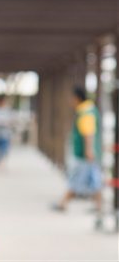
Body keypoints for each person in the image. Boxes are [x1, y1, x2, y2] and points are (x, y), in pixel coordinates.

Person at [53, 87, 103, 228]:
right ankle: (99, 206)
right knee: (95, 179)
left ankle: (63, 203)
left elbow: (88, 133)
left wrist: (88, 150)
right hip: (89, 154)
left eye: (71, 98)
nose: (70, 101)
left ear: (77, 98)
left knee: (77, 179)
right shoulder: (88, 110)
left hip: (85, 154)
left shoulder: (86, 112)